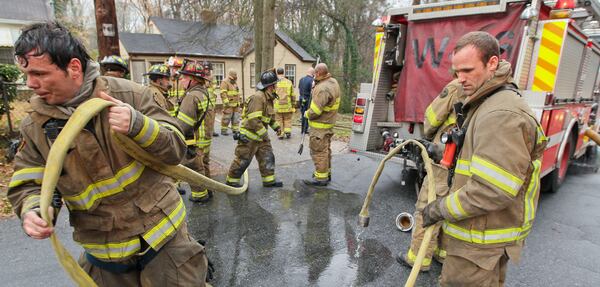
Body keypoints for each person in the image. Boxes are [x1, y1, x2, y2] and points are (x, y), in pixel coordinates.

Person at [8, 22, 207, 285]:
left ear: (74, 68)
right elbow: (30, 180)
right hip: (104, 256)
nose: (31, 84)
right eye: (26, 74)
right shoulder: (34, 126)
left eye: (39, 74)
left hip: (164, 241)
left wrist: (139, 126)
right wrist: (34, 209)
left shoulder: (130, 95)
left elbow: (176, 149)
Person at [420, 31, 547, 286]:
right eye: (456, 72)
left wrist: (439, 209)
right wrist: (440, 153)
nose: (460, 79)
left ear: (492, 63)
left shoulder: (501, 113)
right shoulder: (485, 100)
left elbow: (491, 190)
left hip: (478, 245)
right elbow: (476, 156)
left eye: (467, 70)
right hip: (474, 240)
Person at [396, 79, 464, 271]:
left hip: (445, 161)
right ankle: (442, 253)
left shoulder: (456, 87)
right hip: (464, 165)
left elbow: (431, 120)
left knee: (428, 207)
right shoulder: (487, 90)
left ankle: (417, 259)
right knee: (449, 208)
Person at [225, 69, 283, 188]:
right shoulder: (258, 97)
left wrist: (276, 127)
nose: (276, 86)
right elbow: (254, 120)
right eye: (275, 84)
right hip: (250, 137)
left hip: (261, 137)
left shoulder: (269, 98)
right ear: (271, 86)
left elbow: (269, 118)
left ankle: (269, 180)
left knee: (267, 157)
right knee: (243, 160)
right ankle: (232, 181)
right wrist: (265, 135)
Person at [176, 60, 214, 203]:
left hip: (195, 142)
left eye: (184, 77)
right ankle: (209, 190)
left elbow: (183, 125)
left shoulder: (191, 96)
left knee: (194, 168)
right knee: (204, 165)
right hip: (205, 141)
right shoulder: (206, 93)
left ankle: (200, 195)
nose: (181, 80)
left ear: (192, 79)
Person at [303, 63, 340, 186]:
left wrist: (306, 114)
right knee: (326, 151)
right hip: (328, 124)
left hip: (319, 127)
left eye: (315, 74)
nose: (313, 77)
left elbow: (315, 111)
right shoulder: (333, 82)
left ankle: (320, 178)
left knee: (318, 152)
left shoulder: (322, 88)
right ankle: (326, 173)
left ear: (318, 74)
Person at [274, 67, 297, 139]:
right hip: (287, 105)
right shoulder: (289, 82)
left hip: (278, 106)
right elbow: (293, 95)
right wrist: (293, 104)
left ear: (277, 73)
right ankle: (287, 132)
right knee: (287, 119)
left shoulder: (275, 83)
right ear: (283, 73)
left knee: (279, 120)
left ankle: (281, 134)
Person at [220, 69, 242, 137]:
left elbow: (237, 92)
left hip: (236, 104)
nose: (235, 77)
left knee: (236, 117)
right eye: (234, 76)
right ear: (230, 76)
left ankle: (235, 130)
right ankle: (224, 130)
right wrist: (226, 102)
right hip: (228, 104)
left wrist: (239, 100)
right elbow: (223, 92)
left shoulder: (234, 82)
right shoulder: (225, 82)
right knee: (226, 117)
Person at [203, 61, 220, 138]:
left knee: (212, 117)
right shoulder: (201, 76)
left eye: (207, 69)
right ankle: (205, 131)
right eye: (205, 69)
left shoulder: (212, 77)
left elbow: (215, 85)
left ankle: (212, 131)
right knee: (204, 117)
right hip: (203, 101)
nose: (206, 70)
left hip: (212, 101)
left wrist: (209, 85)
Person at [298, 67, 315, 134]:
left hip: (301, 99)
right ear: (313, 73)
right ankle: (305, 129)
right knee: (308, 114)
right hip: (308, 99)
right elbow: (313, 91)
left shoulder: (301, 79)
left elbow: (299, 88)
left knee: (303, 115)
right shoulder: (312, 81)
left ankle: (303, 129)